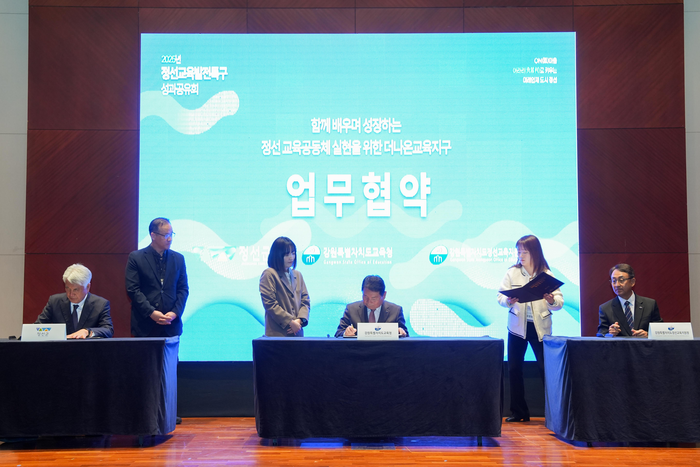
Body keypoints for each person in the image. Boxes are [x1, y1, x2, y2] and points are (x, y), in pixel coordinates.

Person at [497, 235, 563, 422]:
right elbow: (500, 297)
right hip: (517, 328)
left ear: (534, 252)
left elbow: (559, 303)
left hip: (540, 328)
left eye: (524, 252)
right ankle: (519, 412)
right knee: (514, 368)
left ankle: (553, 413)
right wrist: (508, 301)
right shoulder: (512, 272)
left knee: (545, 368)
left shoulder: (546, 275)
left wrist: (551, 300)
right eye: (519, 251)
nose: (521, 255)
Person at [126, 217, 189, 338]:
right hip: (145, 325)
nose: (170, 239)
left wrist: (175, 312)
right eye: (166, 235)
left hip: (171, 325)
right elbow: (133, 290)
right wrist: (151, 312)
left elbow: (183, 289)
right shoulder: (136, 257)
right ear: (153, 235)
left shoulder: (178, 259)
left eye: (171, 234)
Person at [35, 263, 114, 339]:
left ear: (88, 287)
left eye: (76, 289)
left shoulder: (100, 304)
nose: (70, 294)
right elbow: (37, 327)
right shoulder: (55, 302)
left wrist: (87, 332)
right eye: (67, 288)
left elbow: (108, 330)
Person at [259, 237, 310, 337]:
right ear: (277, 255)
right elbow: (270, 304)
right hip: (278, 335)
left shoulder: (298, 274)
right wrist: (290, 322)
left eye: (293, 253)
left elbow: (305, 301)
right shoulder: (269, 274)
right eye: (287, 254)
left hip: (297, 334)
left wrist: (299, 321)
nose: (291, 257)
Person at [597, 263, 662, 338]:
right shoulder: (605, 308)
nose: (617, 285)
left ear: (632, 282)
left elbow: (660, 332)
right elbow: (601, 334)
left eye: (621, 280)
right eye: (614, 281)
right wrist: (610, 333)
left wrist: (648, 335)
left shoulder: (650, 305)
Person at [335, 275, 408, 338]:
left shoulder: (395, 311)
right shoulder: (351, 309)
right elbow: (338, 334)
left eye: (374, 298)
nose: (368, 302)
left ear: (384, 295)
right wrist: (345, 333)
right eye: (365, 296)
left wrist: (401, 333)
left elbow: (406, 337)